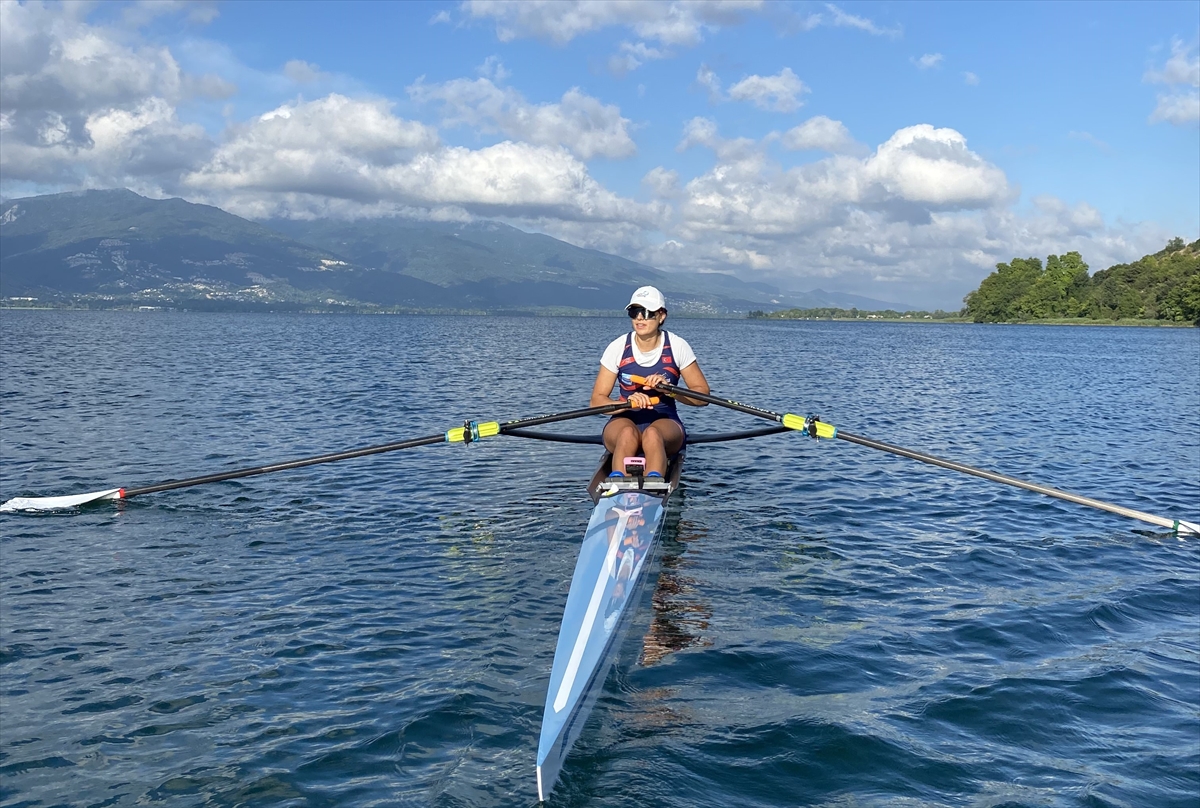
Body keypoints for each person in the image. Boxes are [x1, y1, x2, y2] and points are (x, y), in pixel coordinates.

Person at [589, 286, 710, 478]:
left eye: (646, 312)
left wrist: (670, 390)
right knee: (627, 434)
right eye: (634, 312)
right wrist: (625, 403)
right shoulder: (618, 347)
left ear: (661, 316)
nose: (639, 318)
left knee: (652, 434)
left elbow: (702, 396)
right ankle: (617, 487)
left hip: (665, 421)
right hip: (623, 420)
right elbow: (596, 401)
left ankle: (653, 483)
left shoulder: (678, 346)